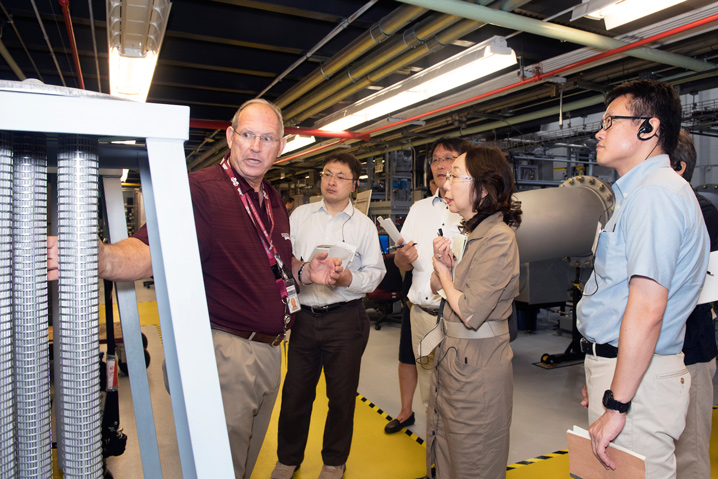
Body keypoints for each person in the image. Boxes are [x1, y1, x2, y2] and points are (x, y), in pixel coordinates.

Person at [48, 99, 343, 479]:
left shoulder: (270, 199)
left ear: (281, 146)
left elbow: (274, 267)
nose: (256, 146)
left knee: (242, 464)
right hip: (227, 353)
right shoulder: (200, 191)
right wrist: (103, 258)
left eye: (266, 138)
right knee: (220, 469)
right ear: (230, 136)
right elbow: (150, 247)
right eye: (248, 135)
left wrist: (305, 272)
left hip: (269, 354)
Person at [576, 80, 709, 479]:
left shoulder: (656, 196)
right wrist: (603, 372)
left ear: (648, 128)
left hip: (640, 385)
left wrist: (618, 402)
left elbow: (648, 309)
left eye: (609, 122)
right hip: (628, 373)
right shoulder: (640, 196)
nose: (599, 132)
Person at [272, 152, 385, 479]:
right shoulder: (299, 217)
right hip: (304, 319)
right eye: (326, 174)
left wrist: (350, 279)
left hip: (345, 318)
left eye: (340, 176)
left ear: (354, 184)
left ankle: (334, 461)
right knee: (295, 394)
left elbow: (376, 272)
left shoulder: (363, 226)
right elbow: (283, 258)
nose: (331, 181)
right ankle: (287, 458)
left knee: (342, 396)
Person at [427, 145, 522, 478]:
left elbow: (469, 311)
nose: (446, 185)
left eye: (455, 176)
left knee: (474, 456)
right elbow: (440, 287)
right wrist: (445, 270)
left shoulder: (498, 238)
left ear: (483, 188)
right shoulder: (475, 235)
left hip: (477, 366)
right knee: (450, 451)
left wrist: (443, 273)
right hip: (458, 360)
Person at [384, 138, 463, 439]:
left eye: (449, 158)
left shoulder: (472, 208)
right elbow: (403, 264)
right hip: (422, 315)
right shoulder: (418, 209)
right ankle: (436, 463)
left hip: (457, 316)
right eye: (436, 160)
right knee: (430, 395)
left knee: (458, 397)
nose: (441, 165)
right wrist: (402, 260)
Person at [670, 130, 718, 478]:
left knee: (689, 453)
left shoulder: (701, 212)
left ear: (679, 167)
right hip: (657, 354)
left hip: (692, 354)